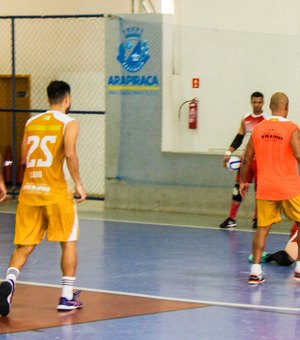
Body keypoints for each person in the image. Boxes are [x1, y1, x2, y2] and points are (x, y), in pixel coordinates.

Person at [0, 80, 86, 316]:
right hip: (57, 193)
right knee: (68, 242)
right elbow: (69, 153)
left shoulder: (31, 122)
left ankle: (9, 283)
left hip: (30, 193)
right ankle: (66, 296)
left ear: (49, 99)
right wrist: (78, 184)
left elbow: (21, 158)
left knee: (23, 247)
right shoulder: (69, 123)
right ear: (67, 99)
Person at [240, 92, 300, 285]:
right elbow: (298, 155)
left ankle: (255, 272)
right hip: (289, 187)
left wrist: (243, 181)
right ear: (287, 107)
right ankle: (299, 268)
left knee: (262, 228)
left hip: (266, 187)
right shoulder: (292, 128)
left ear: (271, 107)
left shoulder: (259, 128)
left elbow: (247, 158)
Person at [220, 92, 269, 229]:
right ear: (251, 102)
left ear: (263, 103)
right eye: (255, 102)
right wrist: (228, 152)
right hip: (245, 160)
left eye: (259, 102)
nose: (257, 105)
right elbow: (239, 137)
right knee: (238, 188)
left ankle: (257, 219)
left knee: (260, 191)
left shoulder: (267, 119)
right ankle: (231, 219)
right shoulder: (245, 118)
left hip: (260, 161)